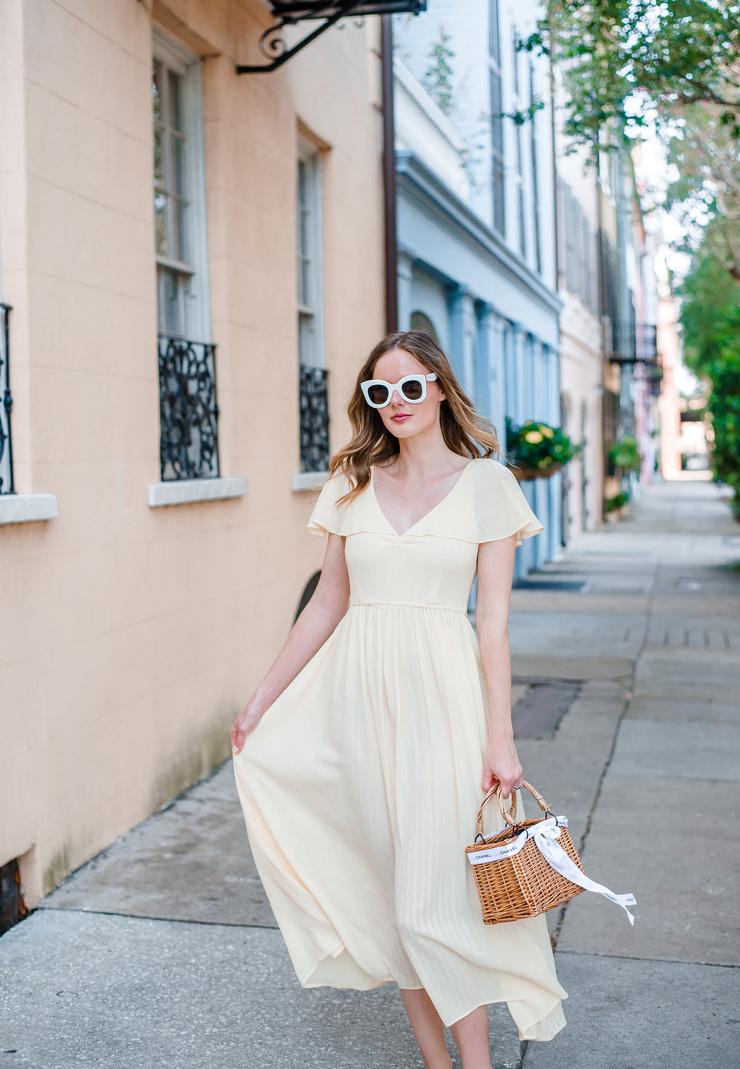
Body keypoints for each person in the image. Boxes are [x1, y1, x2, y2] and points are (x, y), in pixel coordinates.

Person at [231, 331, 566, 1069]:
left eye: (410, 387)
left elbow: (494, 626)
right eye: (379, 391)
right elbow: (324, 605)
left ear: (440, 388)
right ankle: (436, 1063)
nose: (395, 403)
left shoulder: (487, 485)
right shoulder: (351, 483)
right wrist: (259, 702)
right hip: (358, 703)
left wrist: (500, 737)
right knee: (394, 899)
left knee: (433, 899)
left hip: (445, 701)